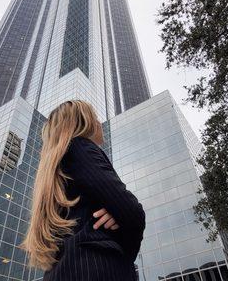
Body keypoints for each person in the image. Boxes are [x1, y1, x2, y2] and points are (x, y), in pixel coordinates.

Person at [18, 100, 145, 280]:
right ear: (85, 121)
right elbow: (133, 214)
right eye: (96, 117)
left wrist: (117, 213)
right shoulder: (80, 147)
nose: (99, 122)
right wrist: (122, 242)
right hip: (98, 268)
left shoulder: (55, 170)